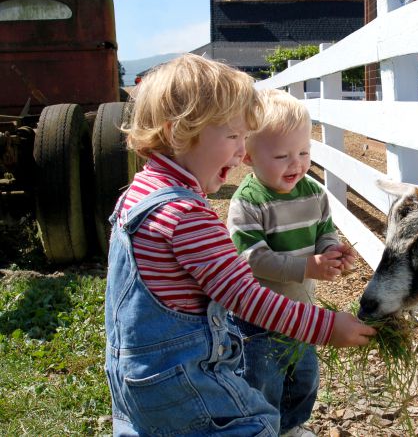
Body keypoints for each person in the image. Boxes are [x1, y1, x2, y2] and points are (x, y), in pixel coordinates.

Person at [103, 54, 375, 437]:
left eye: (244, 137)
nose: (240, 151)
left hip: (132, 372)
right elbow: (247, 298)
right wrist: (326, 326)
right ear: (178, 132)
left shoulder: (139, 195)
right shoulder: (186, 217)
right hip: (178, 377)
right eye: (232, 136)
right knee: (256, 424)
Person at [226, 88, 356, 437]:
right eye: (282, 155)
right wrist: (307, 267)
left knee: (303, 378)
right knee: (261, 381)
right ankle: (260, 429)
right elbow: (252, 259)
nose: (296, 163)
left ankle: (290, 427)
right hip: (257, 319)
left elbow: (325, 230)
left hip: (300, 310)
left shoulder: (313, 193)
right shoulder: (248, 202)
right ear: (248, 158)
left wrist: (332, 251)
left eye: (304, 152)